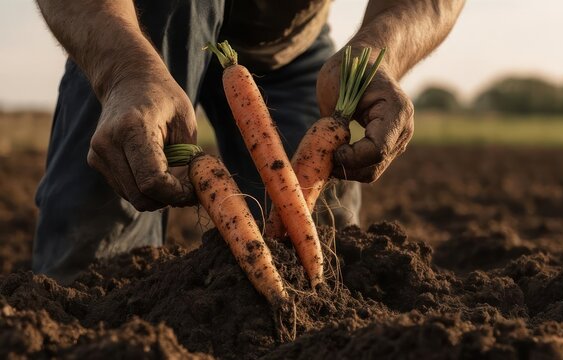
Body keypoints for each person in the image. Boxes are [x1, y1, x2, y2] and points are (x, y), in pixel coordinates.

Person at [33, 0, 465, 284]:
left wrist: (379, 52)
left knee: (322, 255)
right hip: (140, 27)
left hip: (288, 42)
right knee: (96, 271)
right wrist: (121, 70)